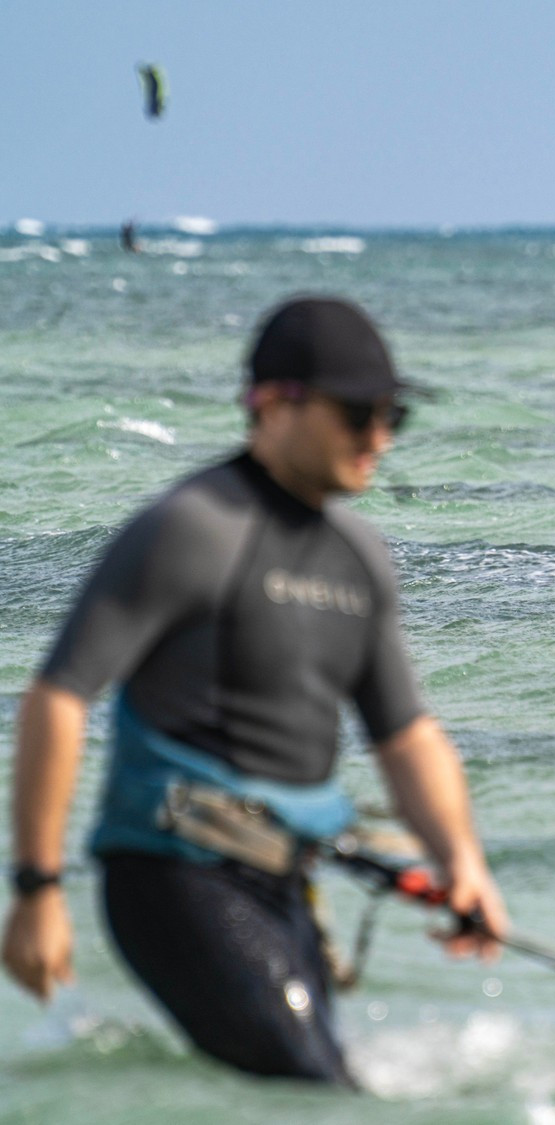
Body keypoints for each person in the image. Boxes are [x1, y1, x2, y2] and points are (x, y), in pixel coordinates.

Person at [3, 296, 510, 1086]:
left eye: (393, 416)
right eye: (357, 414)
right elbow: (59, 697)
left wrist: (462, 860)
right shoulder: (190, 528)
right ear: (273, 404)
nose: (379, 437)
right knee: (316, 1087)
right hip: (170, 875)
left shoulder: (359, 556)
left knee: (327, 1083)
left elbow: (406, 732)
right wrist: (38, 889)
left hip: (283, 881)